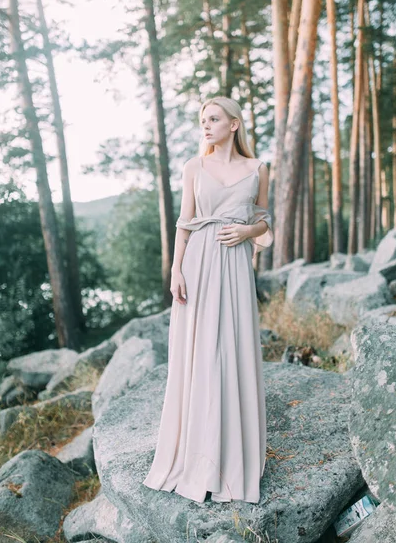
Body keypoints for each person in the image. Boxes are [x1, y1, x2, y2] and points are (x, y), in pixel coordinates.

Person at [142, 96, 274, 504]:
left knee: (231, 350)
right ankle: (195, 451)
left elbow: (266, 221)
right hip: (197, 263)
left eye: (214, 118)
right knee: (199, 353)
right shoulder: (193, 167)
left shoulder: (257, 169)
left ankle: (232, 452)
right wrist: (176, 271)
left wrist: (247, 234)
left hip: (234, 266)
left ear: (234, 125)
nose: (206, 125)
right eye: (202, 119)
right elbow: (184, 224)